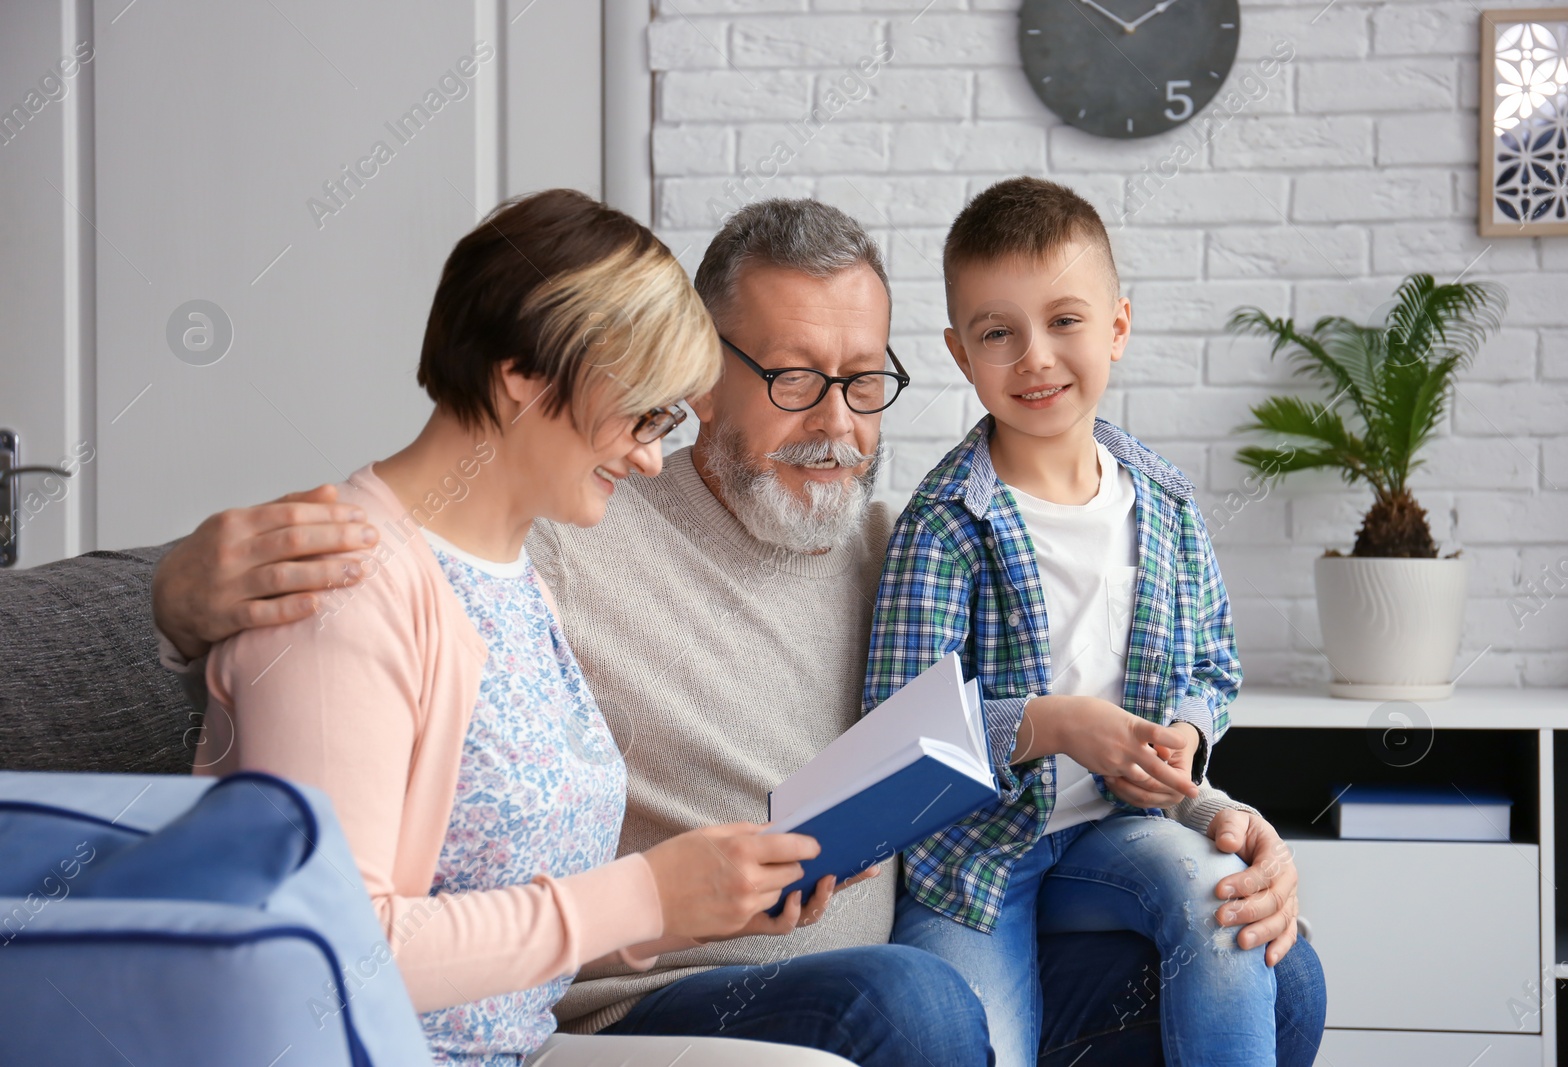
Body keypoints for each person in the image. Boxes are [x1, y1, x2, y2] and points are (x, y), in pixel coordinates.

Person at [150, 198, 1325, 1065]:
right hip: (661, 989)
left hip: (874, 948)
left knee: (1271, 969)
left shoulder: (896, 542)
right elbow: (389, 546)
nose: (838, 423)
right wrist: (180, 597)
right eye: (795, 380)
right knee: (916, 1003)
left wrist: (1216, 818)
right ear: (704, 370)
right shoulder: (557, 526)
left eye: (866, 381)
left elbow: (1079, 716)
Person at [188, 188, 988, 1067]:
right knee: (908, 1007)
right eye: (643, 414)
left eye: (663, 420)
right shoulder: (347, 584)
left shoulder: (512, 569)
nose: (652, 456)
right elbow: (332, 958)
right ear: (522, 378)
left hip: (518, 1043)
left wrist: (698, 901)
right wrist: (647, 896)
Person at [864, 176, 1276, 1067]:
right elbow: (899, 737)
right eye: (998, 333)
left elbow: (1213, 662)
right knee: (975, 1043)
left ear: (1117, 327)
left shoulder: (1163, 500)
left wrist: (1187, 728)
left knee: (1224, 902)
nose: (1036, 357)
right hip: (976, 861)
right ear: (960, 353)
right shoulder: (945, 524)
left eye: (1065, 321)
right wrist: (1052, 724)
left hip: (1120, 831)